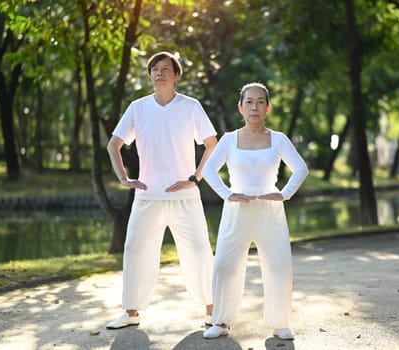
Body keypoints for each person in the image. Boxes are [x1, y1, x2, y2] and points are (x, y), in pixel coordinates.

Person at [105, 51, 217, 329]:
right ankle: (130, 313)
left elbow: (212, 143)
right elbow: (113, 145)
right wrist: (124, 178)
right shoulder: (138, 108)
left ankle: (213, 311)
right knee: (134, 249)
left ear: (176, 75)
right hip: (147, 195)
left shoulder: (190, 107)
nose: (159, 73)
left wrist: (195, 178)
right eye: (154, 69)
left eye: (165, 69)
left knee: (199, 250)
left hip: (185, 196)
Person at [201, 82, 308, 340]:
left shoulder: (279, 139)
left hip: (270, 209)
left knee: (278, 265)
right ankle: (221, 322)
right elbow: (207, 170)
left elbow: (301, 168)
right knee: (225, 265)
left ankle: (280, 323)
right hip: (236, 208)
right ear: (241, 107)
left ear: (268, 108)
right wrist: (228, 193)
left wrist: (283, 194)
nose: (255, 107)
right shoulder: (228, 140)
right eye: (249, 102)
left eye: (260, 102)